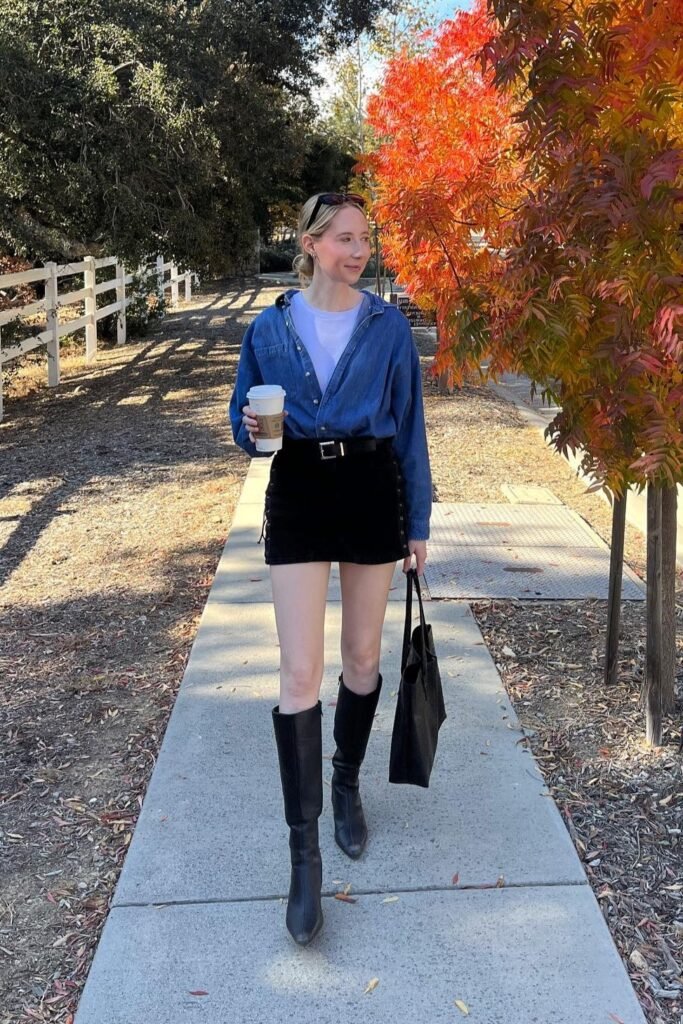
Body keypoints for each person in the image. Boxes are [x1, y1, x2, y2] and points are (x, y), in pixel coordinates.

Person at [228, 191, 432, 946]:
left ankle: (345, 782)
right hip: (301, 492)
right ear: (310, 244)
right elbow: (242, 421)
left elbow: (410, 428)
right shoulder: (269, 326)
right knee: (296, 672)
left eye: (365, 239)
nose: (360, 251)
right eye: (345, 239)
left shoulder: (387, 328)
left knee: (360, 656)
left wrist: (417, 524)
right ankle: (303, 850)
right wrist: (251, 429)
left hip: (372, 487)